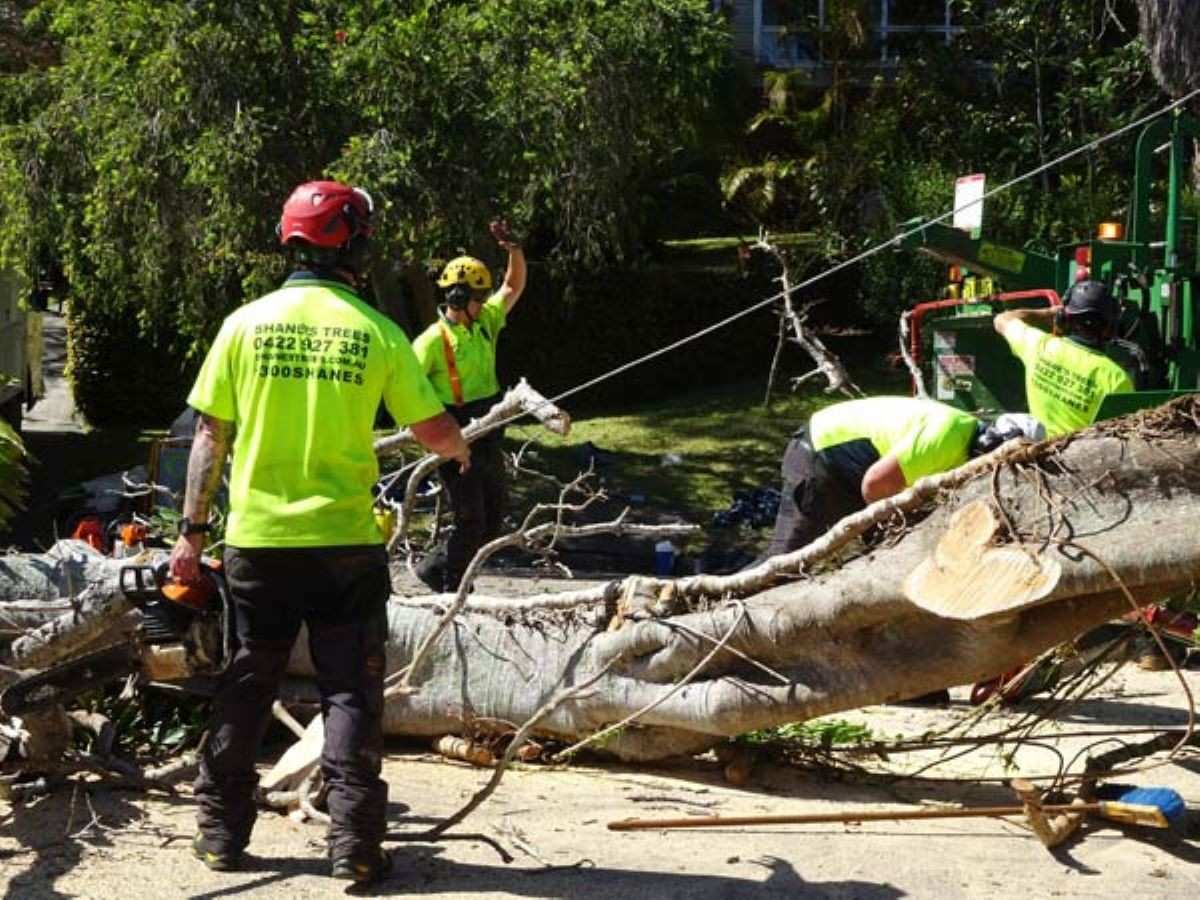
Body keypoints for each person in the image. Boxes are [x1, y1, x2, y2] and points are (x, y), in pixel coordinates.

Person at [168, 180, 470, 884]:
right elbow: (433, 429)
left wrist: (191, 533)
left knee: (245, 684)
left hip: (257, 544)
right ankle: (356, 848)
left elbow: (209, 436)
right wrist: (457, 447)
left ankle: (219, 835)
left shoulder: (244, 325)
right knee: (349, 692)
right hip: (344, 546)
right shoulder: (376, 332)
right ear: (355, 246)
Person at [411, 220, 526, 592]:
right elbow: (408, 390)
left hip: (489, 428)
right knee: (470, 516)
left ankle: (434, 567)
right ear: (459, 299)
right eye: (479, 297)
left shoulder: (486, 323)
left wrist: (514, 250)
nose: (486, 302)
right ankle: (453, 586)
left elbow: (512, 286)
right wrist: (434, 435)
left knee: (492, 516)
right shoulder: (431, 342)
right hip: (452, 430)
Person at [763, 396, 1006, 560]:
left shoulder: (965, 434)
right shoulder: (946, 440)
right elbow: (875, 486)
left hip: (851, 467)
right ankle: (731, 615)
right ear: (989, 445)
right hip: (823, 455)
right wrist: (898, 528)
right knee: (787, 560)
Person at [992, 279, 1134, 437]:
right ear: (1110, 328)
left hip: (1035, 454)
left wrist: (1049, 312)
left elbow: (1002, 320)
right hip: (1081, 459)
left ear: (1064, 318)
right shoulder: (1116, 378)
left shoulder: (1039, 346)